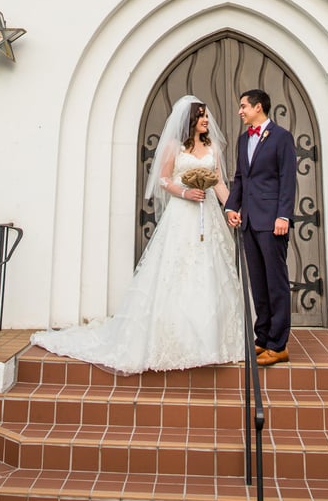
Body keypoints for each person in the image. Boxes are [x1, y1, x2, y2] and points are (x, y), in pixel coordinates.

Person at [32, 96, 244, 374]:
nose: (207, 120)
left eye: (206, 115)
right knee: (177, 271)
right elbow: (163, 179)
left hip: (209, 218)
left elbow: (218, 183)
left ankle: (212, 339)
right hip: (182, 215)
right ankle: (176, 339)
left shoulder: (211, 147)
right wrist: (184, 192)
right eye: (202, 115)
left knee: (211, 271)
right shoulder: (175, 146)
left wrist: (231, 208)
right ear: (190, 119)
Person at [226, 88, 297, 366]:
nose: (240, 111)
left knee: (275, 282)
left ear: (258, 107)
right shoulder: (244, 139)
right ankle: (263, 338)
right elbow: (240, 178)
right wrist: (232, 207)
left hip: (272, 222)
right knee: (258, 282)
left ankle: (279, 345)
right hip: (250, 222)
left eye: (244, 106)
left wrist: (283, 216)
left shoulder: (281, 137)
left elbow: (287, 179)